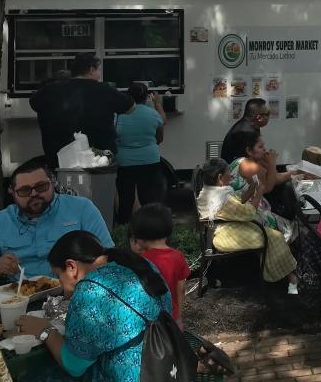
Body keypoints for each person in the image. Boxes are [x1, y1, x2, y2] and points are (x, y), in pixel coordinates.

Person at [15, 231, 171, 382]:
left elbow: (74, 366)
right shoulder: (139, 263)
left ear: (71, 267)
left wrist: (45, 330)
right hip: (165, 362)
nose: (62, 287)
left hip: (132, 374)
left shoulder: (90, 290)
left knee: (36, 374)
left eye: (58, 276)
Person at [0, 159, 113, 284]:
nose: (34, 194)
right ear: (13, 193)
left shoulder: (81, 208)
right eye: (25, 190)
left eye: (41, 186)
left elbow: (110, 258)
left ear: (53, 184)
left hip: (74, 292)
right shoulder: (0, 221)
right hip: (20, 296)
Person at [195, 158, 299, 292]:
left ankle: (283, 272)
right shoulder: (222, 199)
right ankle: (290, 278)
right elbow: (248, 213)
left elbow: (238, 202)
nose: (231, 176)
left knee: (268, 230)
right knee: (274, 236)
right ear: (220, 178)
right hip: (226, 235)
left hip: (224, 228)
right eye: (229, 174)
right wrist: (259, 191)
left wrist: (251, 189)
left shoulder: (213, 192)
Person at [29, 52, 135, 166]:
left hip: (59, 158)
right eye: (98, 70)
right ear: (91, 70)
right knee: (101, 183)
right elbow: (130, 107)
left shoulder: (50, 89)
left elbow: (34, 104)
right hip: (99, 159)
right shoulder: (104, 89)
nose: (99, 74)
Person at [127, 203, 189, 326]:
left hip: (149, 319)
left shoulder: (140, 261)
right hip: (172, 316)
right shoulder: (178, 256)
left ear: (140, 235)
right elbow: (181, 289)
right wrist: (178, 315)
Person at [114, 81, 167, 224]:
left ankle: (124, 229)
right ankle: (151, 228)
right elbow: (160, 136)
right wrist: (157, 103)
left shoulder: (118, 115)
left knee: (126, 200)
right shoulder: (153, 114)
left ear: (128, 96)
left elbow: (114, 136)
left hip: (124, 163)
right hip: (150, 160)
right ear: (146, 97)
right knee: (149, 199)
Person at [221, 97, 270, 164]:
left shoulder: (251, 125)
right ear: (259, 117)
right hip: (234, 170)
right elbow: (255, 159)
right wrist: (272, 162)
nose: (269, 117)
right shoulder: (246, 132)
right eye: (267, 114)